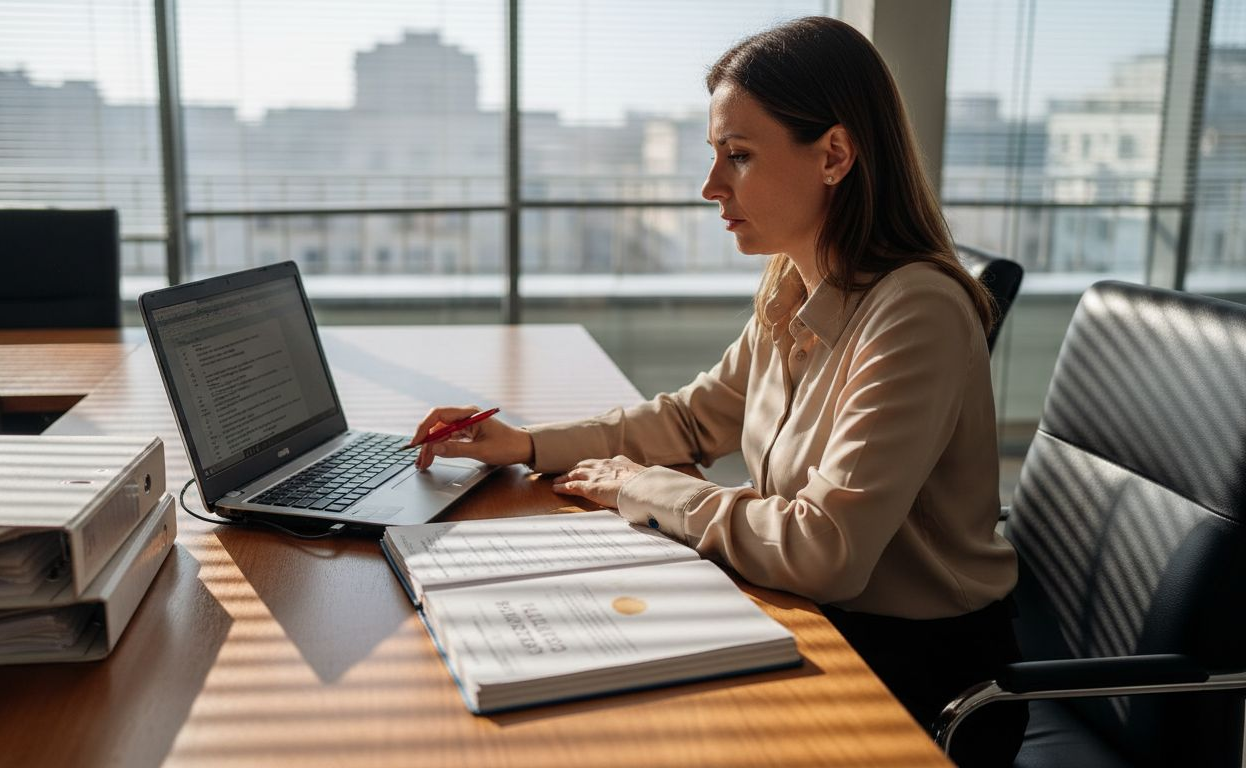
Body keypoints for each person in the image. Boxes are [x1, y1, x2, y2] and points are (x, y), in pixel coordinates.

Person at [410, 16, 1025, 767]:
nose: (710, 187)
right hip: (816, 616)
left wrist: (644, 488)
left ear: (834, 155)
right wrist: (528, 444)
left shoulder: (917, 312)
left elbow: (825, 550)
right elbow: (695, 418)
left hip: (916, 673)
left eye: (738, 156)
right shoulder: (796, 282)